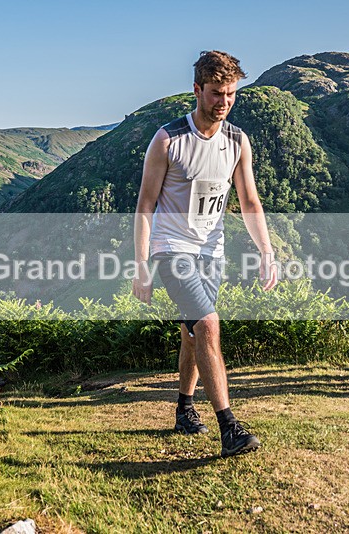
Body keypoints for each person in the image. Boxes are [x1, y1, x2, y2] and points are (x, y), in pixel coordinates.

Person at [133, 51, 278, 457]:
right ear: (197, 90)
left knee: (193, 332)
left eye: (231, 94)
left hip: (212, 252)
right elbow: (145, 205)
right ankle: (229, 428)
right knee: (209, 326)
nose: (224, 102)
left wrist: (266, 251)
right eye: (216, 93)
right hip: (171, 249)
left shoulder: (237, 141)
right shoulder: (168, 139)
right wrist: (141, 265)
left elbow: (249, 201)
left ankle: (184, 408)